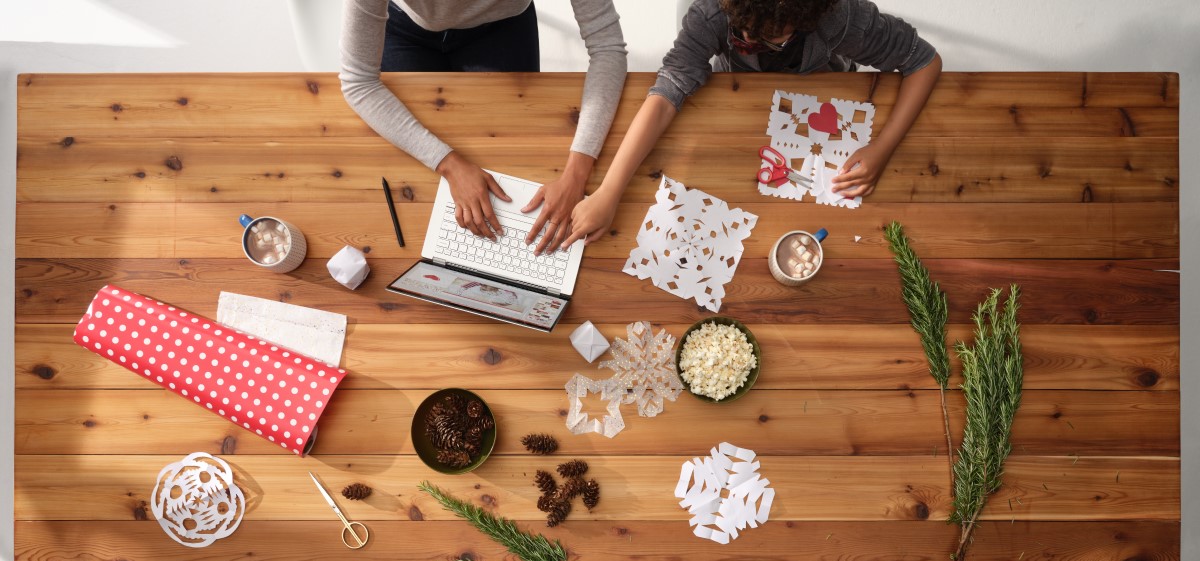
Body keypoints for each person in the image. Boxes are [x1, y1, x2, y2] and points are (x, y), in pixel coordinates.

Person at [563, 0, 941, 247]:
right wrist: (608, 191)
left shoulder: (840, 18)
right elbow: (669, 88)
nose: (746, 40)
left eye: (767, 40)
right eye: (741, 35)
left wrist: (882, 146)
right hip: (740, 101)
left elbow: (924, 61)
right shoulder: (711, 14)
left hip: (828, 91)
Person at [340, 0, 627, 253]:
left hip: (501, 27)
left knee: (512, 163)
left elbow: (608, 47)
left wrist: (577, 175)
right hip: (406, 30)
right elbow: (358, 81)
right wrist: (448, 164)